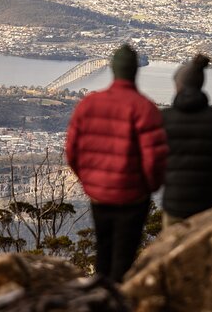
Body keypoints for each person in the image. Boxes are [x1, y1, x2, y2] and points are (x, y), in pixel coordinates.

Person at [65, 44, 168, 283]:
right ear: (134, 71)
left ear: (112, 69)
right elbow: (154, 159)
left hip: (99, 195)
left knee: (103, 250)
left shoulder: (89, 104)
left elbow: (72, 151)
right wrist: (148, 188)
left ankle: (100, 299)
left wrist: (90, 181)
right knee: (124, 257)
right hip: (133, 197)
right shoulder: (145, 108)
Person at [161, 54, 212, 228]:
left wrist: (169, 183)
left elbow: (153, 161)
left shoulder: (164, 119)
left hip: (175, 202)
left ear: (178, 85)